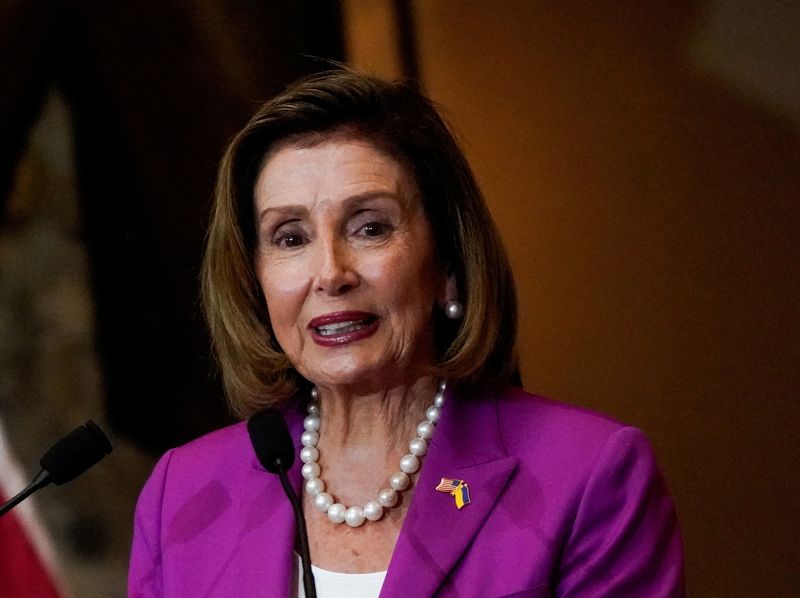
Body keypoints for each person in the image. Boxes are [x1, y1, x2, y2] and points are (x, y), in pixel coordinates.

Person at [128, 70, 684, 597]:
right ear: (256, 280)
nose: (330, 274)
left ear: (446, 265)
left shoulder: (587, 475)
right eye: (290, 238)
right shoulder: (184, 493)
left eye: (370, 228)